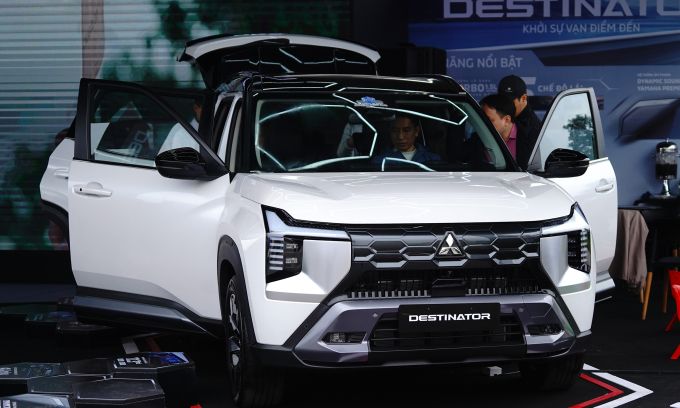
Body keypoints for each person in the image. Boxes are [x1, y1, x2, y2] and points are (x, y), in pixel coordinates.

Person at [497, 75, 541, 169]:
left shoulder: (533, 129)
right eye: (502, 100)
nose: (505, 105)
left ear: (524, 98)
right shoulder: (497, 118)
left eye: (510, 102)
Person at [373, 113, 441, 164]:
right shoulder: (380, 161)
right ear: (389, 132)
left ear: (416, 131)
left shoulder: (433, 159)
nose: (400, 137)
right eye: (395, 131)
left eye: (406, 130)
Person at [480, 94, 517, 158]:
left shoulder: (528, 139)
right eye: (481, 119)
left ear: (507, 120)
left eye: (488, 120)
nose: (482, 124)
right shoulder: (477, 139)